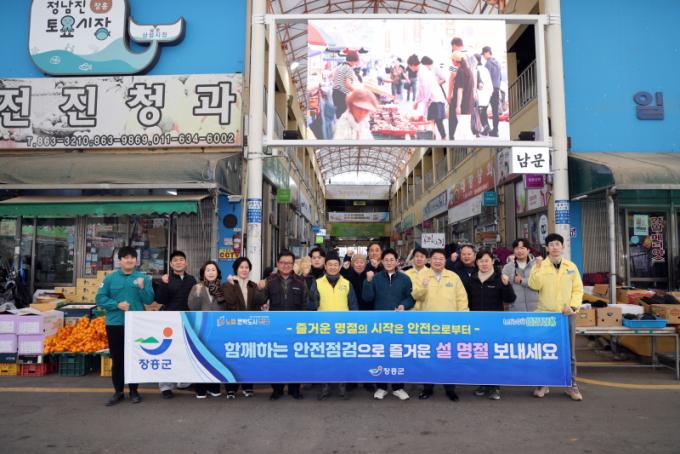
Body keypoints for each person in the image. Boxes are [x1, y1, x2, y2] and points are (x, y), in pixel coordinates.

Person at [528, 233, 584, 401]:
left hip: (566, 315)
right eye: (551, 244)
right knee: (544, 351)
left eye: (557, 244)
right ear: (546, 248)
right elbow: (534, 285)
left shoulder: (571, 266)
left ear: (563, 247)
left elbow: (578, 289)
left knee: (569, 352)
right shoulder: (540, 265)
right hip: (545, 316)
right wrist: (538, 267)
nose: (554, 247)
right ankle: (543, 383)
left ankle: (571, 385)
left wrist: (573, 307)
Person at [96, 246, 154, 406]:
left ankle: (134, 390)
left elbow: (149, 300)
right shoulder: (110, 279)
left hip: (136, 324)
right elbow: (100, 299)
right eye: (126, 257)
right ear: (120, 260)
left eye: (132, 257)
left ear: (136, 260)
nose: (129, 260)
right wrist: (116, 304)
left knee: (134, 357)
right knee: (118, 359)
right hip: (115, 324)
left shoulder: (143, 278)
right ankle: (118, 391)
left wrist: (142, 288)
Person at [412, 249, 468, 401]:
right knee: (428, 357)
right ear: (430, 260)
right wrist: (423, 287)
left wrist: (463, 318)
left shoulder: (453, 276)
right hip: (427, 325)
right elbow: (415, 296)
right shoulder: (422, 275)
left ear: (445, 260)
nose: (438, 261)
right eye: (435, 258)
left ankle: (450, 389)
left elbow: (461, 299)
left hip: (448, 325)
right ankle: (427, 388)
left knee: (448, 357)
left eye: (441, 259)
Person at [362, 249, 415, 400]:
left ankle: (398, 387)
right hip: (380, 323)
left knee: (398, 353)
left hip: (399, 324)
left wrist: (404, 305)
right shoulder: (376, 278)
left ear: (397, 261)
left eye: (392, 260)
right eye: (386, 260)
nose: (389, 262)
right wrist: (368, 281)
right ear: (382, 262)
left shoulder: (405, 279)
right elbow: (367, 298)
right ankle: (382, 386)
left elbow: (411, 298)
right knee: (381, 353)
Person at [464, 249, 515, 400]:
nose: (484, 264)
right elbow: (465, 301)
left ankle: (495, 387)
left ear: (492, 261)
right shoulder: (471, 279)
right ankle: (483, 384)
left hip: (494, 325)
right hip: (476, 324)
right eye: (481, 261)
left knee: (493, 356)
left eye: (487, 260)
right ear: (476, 263)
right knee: (480, 355)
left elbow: (510, 299)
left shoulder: (500, 278)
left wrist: (506, 285)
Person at [259, 250, 309, 400]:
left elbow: (305, 304)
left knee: (295, 359)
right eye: (282, 263)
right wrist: (260, 289)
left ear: (293, 264)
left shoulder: (301, 281)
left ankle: (295, 389)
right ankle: (277, 389)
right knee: (276, 359)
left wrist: (303, 325)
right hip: (275, 327)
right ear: (277, 264)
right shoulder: (269, 281)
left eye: (289, 263)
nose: (286, 265)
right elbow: (260, 301)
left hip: (296, 327)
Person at [309, 252, 358, 400]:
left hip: (343, 328)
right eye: (329, 264)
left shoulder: (347, 283)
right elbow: (311, 306)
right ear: (325, 266)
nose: (332, 267)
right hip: (322, 328)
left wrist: (353, 326)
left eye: (335, 265)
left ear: (340, 266)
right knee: (324, 359)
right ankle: (325, 387)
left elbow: (353, 306)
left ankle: (342, 387)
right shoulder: (317, 283)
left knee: (342, 358)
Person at [222, 257, 267, 398]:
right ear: (236, 269)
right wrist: (233, 285)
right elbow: (230, 301)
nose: (244, 270)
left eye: (246, 267)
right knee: (233, 357)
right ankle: (231, 388)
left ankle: (248, 387)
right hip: (234, 327)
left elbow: (261, 302)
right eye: (241, 267)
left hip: (250, 327)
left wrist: (261, 289)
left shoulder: (253, 285)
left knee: (249, 357)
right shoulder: (227, 285)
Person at [156, 250, 197, 399]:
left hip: (187, 320)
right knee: (168, 353)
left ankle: (184, 382)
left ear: (186, 263)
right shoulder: (166, 279)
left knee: (185, 351)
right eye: (175, 260)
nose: (178, 262)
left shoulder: (191, 280)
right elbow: (160, 299)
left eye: (181, 259)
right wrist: (163, 284)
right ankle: (166, 386)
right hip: (169, 320)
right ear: (171, 264)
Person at [187, 261, 228, 399]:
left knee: (216, 357)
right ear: (203, 273)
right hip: (201, 327)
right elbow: (192, 307)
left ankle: (214, 387)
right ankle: (200, 388)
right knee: (200, 357)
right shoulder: (197, 287)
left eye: (213, 270)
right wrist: (197, 294)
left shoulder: (223, 288)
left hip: (218, 328)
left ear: (218, 273)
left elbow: (227, 306)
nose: (211, 272)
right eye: (208, 270)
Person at [414, 56, 448, 140]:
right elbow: (422, 88)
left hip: (434, 98)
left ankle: (435, 139)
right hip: (436, 97)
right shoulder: (426, 71)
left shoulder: (431, 69)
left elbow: (444, 78)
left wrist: (436, 85)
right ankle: (441, 137)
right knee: (437, 121)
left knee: (433, 121)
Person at [501, 238, 539, 312]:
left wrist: (522, 281)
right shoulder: (508, 267)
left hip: (535, 309)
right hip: (515, 310)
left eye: (522, 248)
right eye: (517, 248)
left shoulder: (536, 266)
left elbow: (539, 283)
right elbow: (504, 287)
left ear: (528, 250)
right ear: (513, 251)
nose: (519, 251)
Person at [448, 51, 476, 140]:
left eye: (452, 60)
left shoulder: (459, 71)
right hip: (469, 102)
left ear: (455, 61)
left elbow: (460, 89)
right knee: (464, 128)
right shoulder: (468, 70)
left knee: (463, 129)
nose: (451, 62)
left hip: (462, 104)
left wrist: (458, 106)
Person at [332, 49, 360, 118]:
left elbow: (333, 78)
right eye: (356, 61)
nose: (356, 63)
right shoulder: (349, 69)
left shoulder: (340, 66)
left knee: (338, 115)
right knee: (343, 116)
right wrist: (358, 92)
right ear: (354, 60)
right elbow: (348, 85)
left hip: (335, 93)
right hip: (342, 95)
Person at [482, 46, 502, 137]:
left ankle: (486, 129)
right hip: (496, 89)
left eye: (483, 54)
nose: (483, 56)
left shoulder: (488, 64)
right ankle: (495, 131)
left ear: (487, 52)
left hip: (489, 90)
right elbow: (500, 77)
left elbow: (486, 78)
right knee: (495, 111)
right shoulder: (497, 63)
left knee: (483, 109)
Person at [474, 53, 494, 136]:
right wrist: (490, 94)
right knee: (483, 113)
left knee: (478, 114)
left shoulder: (475, 69)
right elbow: (490, 83)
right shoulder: (485, 69)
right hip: (487, 95)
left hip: (479, 95)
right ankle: (486, 129)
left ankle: (481, 129)